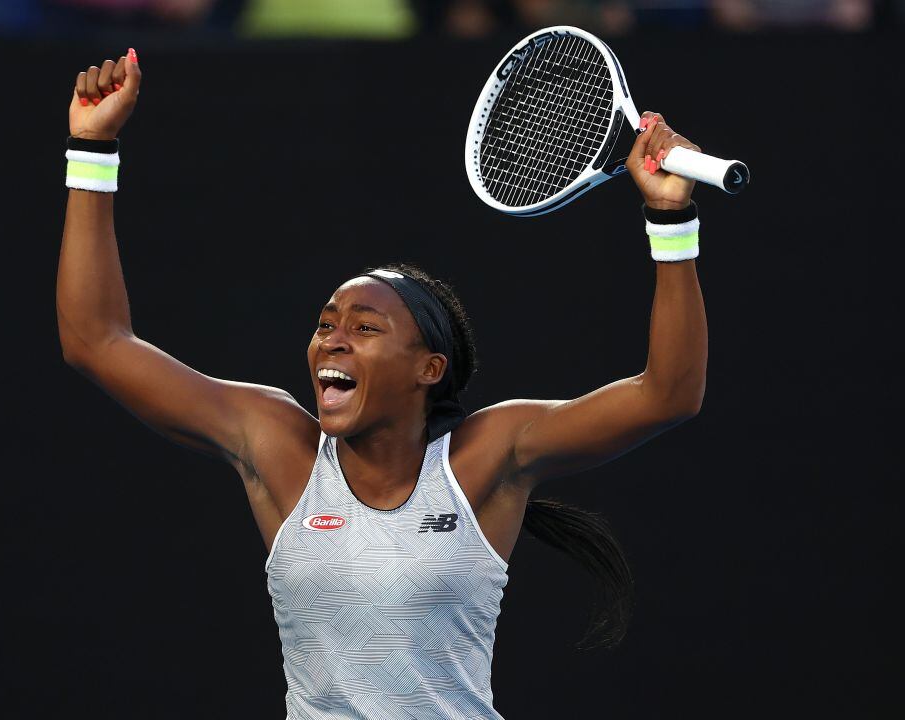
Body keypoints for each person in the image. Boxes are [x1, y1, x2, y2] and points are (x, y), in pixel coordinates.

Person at [58, 49, 708, 719]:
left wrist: (670, 221)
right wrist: (92, 145)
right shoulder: (279, 448)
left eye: (365, 329)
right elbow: (95, 341)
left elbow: (668, 395)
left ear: (429, 369)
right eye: (325, 325)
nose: (333, 339)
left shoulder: (489, 456)